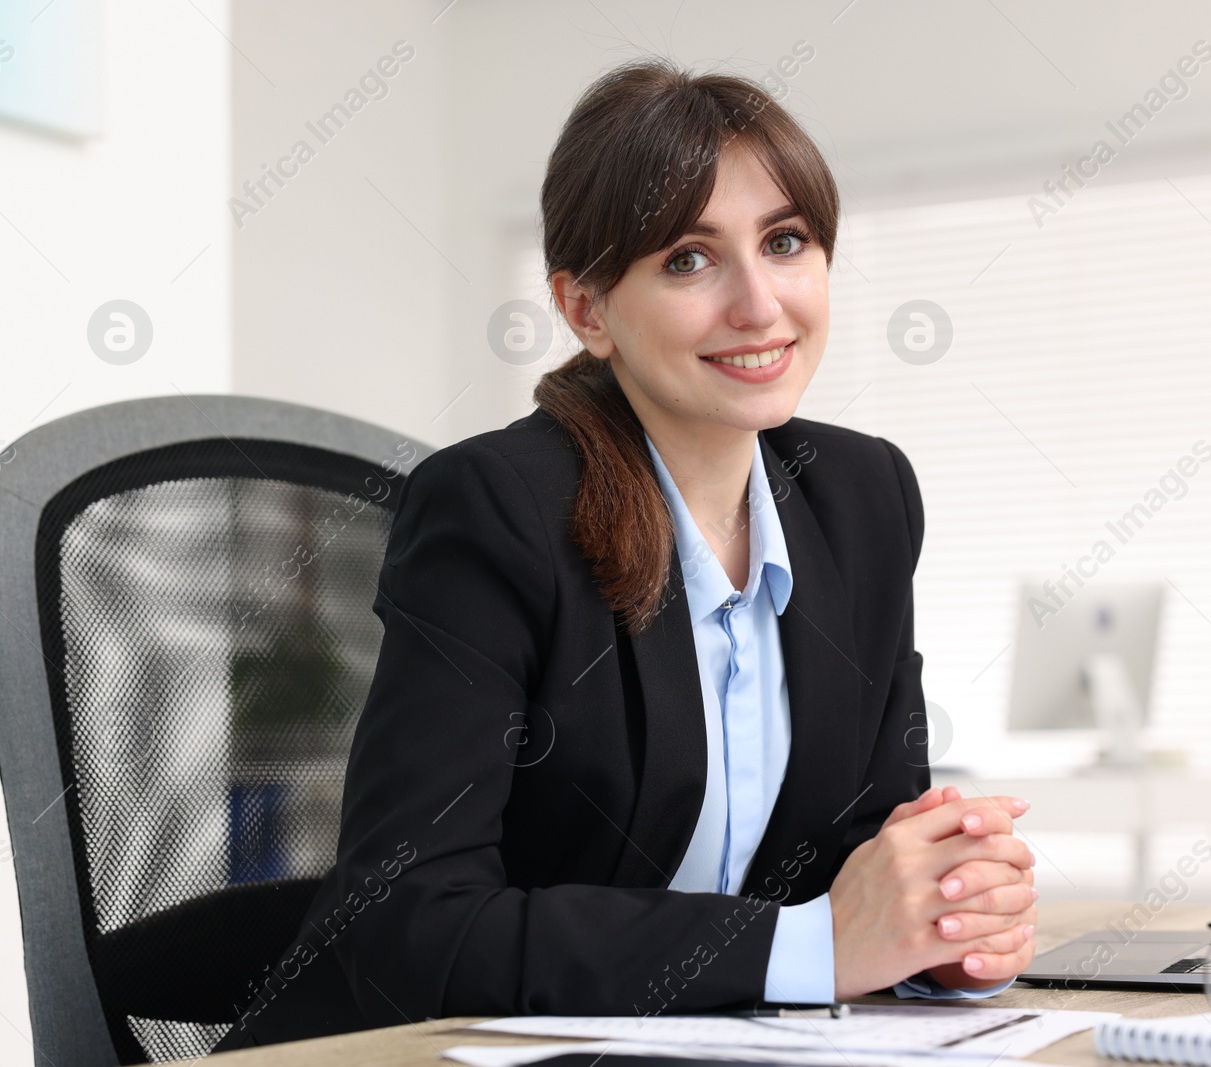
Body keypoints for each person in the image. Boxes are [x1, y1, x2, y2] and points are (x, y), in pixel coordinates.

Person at [217, 58, 1035, 1049]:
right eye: (689, 258)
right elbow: (412, 925)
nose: (759, 305)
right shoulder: (497, 512)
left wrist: (940, 916)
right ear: (586, 308)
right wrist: (815, 945)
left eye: (786, 242)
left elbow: (867, 842)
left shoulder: (862, 499)